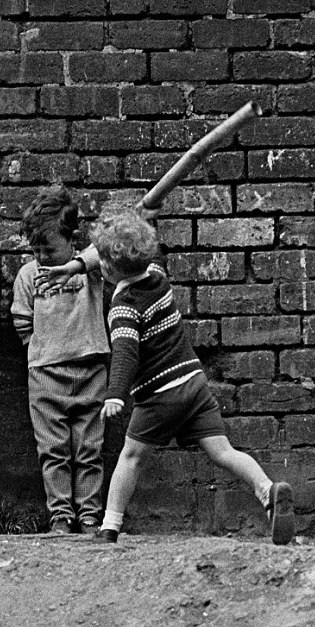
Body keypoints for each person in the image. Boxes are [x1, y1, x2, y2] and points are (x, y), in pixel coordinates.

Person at [51, 205, 295, 546]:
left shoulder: (124, 308)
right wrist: (79, 264)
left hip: (159, 394)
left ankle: (109, 527)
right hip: (194, 384)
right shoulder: (158, 276)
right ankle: (268, 491)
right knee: (223, 451)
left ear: (106, 267)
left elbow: (125, 354)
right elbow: (113, 257)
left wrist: (115, 394)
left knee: (131, 457)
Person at [10, 187, 110, 536]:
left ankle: (89, 516)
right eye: (35, 250)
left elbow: (109, 251)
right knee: (53, 450)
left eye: (49, 249)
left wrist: (74, 265)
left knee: (89, 448)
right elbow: (22, 320)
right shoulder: (28, 275)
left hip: (90, 369)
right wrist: (39, 350)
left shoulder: (89, 270)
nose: (42, 257)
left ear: (71, 239)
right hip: (45, 375)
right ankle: (60, 517)